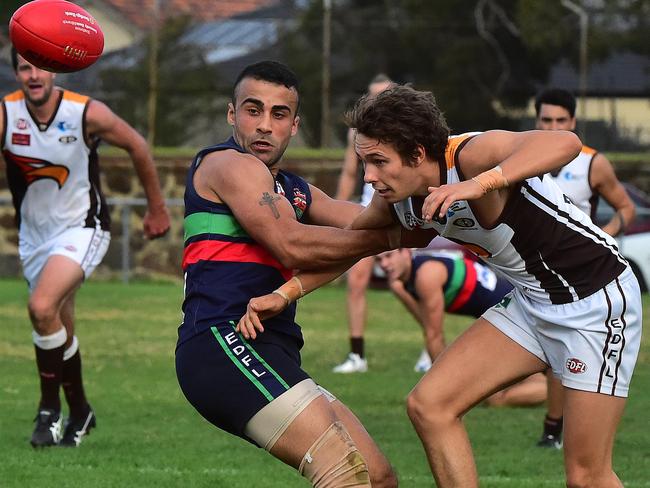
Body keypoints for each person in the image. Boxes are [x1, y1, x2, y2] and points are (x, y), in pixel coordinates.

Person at [239, 84, 642, 487]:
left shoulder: (468, 156)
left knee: (586, 477)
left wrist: (479, 183)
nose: (370, 176)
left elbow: (565, 142)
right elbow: (352, 245)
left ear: (417, 154)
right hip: (534, 303)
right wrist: (285, 292)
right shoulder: (398, 198)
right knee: (430, 406)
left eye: (379, 161)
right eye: (365, 162)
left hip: (596, 300)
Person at [175, 61, 398, 487]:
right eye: (252, 110)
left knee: (378, 476)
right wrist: (391, 238)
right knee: (344, 474)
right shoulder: (226, 164)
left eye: (278, 114)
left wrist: (421, 198)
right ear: (231, 114)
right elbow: (291, 244)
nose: (264, 125)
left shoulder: (294, 189)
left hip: (271, 350)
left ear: (294, 126)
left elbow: (362, 219)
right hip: (221, 343)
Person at [1, 49, 171, 447]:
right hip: (34, 238)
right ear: (15, 73)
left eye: (41, 66)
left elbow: (138, 146)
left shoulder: (85, 113)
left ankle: (49, 411)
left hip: (84, 227)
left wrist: (157, 209)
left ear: (55, 70)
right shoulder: (7, 115)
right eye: (24, 67)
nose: (33, 75)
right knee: (56, 324)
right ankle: (80, 411)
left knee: (41, 308)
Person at [534, 87, 637, 449]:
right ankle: (553, 428)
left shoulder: (592, 163)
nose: (553, 126)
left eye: (561, 120)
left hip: (584, 275)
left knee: (571, 355)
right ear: (536, 121)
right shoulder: (518, 159)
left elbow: (626, 209)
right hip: (534, 271)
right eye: (546, 119)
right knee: (546, 351)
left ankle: (556, 429)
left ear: (573, 122)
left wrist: (603, 234)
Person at [377, 248, 547, 406]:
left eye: (388, 256)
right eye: (379, 260)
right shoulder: (411, 277)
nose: (384, 265)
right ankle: (552, 386)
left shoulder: (426, 276)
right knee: (490, 389)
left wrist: (438, 390)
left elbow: (434, 335)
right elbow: (425, 322)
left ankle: (556, 393)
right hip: (505, 315)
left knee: (495, 399)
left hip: (515, 316)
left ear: (406, 252)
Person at [332, 74, 393, 374]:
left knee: (411, 284)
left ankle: (430, 349)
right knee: (356, 282)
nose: (375, 101)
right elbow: (347, 174)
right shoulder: (358, 132)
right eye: (371, 95)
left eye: (382, 95)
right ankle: (357, 355)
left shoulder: (403, 131)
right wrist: (336, 218)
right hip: (371, 214)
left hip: (403, 213)